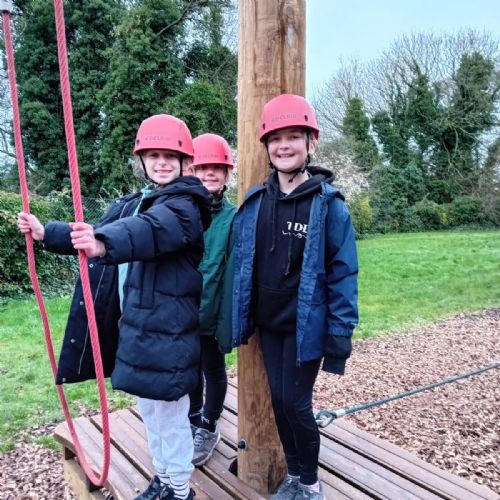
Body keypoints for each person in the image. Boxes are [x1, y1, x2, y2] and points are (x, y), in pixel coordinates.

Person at [17, 114, 212, 500]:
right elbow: (99, 229)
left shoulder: (184, 206)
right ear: (142, 161)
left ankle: (179, 489)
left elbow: (148, 230)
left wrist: (104, 243)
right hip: (139, 326)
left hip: (168, 331)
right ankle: (164, 479)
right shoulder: (140, 201)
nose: (161, 163)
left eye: (169, 157)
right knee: (151, 412)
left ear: (185, 163)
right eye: (153, 156)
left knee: (170, 417)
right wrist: (47, 232)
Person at [232, 94, 359, 500]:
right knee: (279, 401)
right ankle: (294, 475)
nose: (284, 146)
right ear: (266, 146)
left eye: (293, 137)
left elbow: (344, 272)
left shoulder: (329, 206)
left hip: (307, 326)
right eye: (276, 138)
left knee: (296, 404)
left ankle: (310, 483)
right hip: (269, 324)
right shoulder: (256, 201)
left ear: (311, 143)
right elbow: (242, 262)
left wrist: (340, 331)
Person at [185, 133, 236, 466]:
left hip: (213, 311)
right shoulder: (180, 211)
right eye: (203, 168)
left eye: (217, 168)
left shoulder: (233, 217)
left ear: (227, 173)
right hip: (183, 309)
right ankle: (193, 419)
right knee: (190, 370)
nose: (210, 174)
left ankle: (208, 425)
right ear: (191, 171)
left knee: (212, 369)